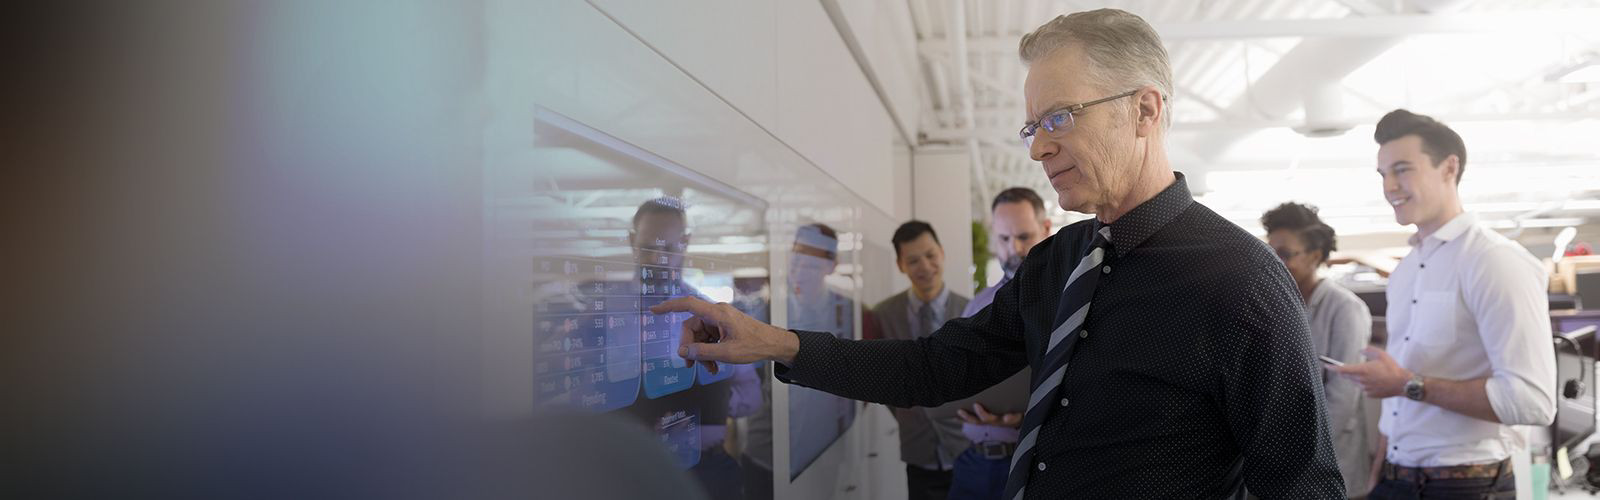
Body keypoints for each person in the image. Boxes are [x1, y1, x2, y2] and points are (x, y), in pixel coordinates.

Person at [652, 9, 1343, 498]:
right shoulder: (1060, 260)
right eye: (1032, 126)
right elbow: (936, 365)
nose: (1039, 147)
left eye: (1060, 118)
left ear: (1145, 109)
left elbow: (1301, 483)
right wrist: (776, 342)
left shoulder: (1241, 283)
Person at [1331, 110, 1555, 499]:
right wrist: (1377, 477)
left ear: (1449, 167)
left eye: (1402, 170)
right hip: (1396, 478)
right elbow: (1401, 402)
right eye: (1382, 174)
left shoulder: (1495, 261)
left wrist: (1405, 384)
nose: (1389, 186)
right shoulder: (1405, 274)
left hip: (1467, 484)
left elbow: (1533, 402)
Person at [1261, 202, 1373, 496]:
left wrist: (1303, 459)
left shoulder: (1345, 308)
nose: (1274, 262)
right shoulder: (1275, 305)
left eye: (1284, 254)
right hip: (1284, 462)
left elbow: (1343, 398)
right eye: (1270, 252)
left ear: (1315, 256)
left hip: (1331, 461)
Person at [949, 187, 1053, 500]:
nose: (1014, 249)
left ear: (1046, 230)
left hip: (1039, 463)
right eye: (1004, 239)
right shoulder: (977, 306)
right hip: (975, 462)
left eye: (1024, 236)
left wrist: (1024, 417)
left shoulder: (1067, 303)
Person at [742, 223, 856, 499]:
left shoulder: (846, 312)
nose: (800, 274)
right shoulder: (764, 311)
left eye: (811, 266)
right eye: (796, 262)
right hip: (768, 454)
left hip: (823, 448)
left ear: (832, 265)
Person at [871, 220, 971, 500]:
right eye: (913, 260)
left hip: (966, 447)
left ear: (942, 253)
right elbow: (884, 383)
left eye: (930, 255)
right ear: (900, 265)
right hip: (917, 449)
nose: (925, 267)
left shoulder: (973, 310)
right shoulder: (883, 315)